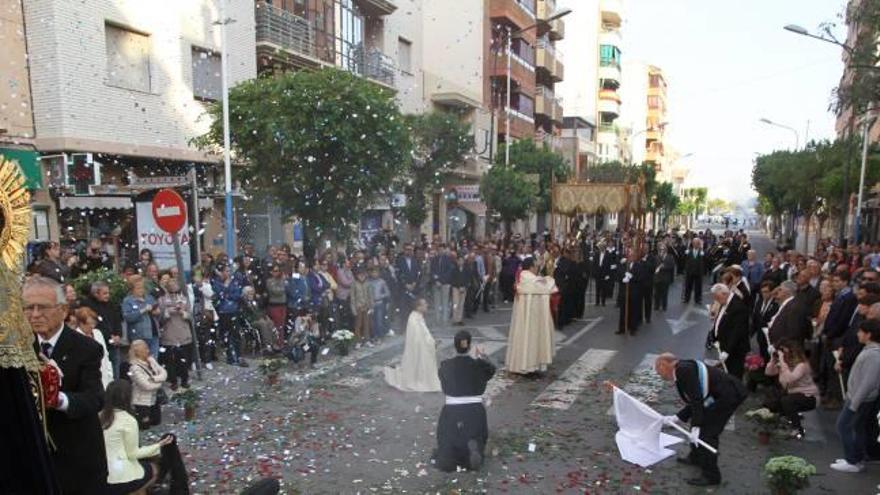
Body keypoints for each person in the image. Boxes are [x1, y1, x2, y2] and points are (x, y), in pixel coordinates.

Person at [25, 276, 108, 494]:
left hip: (77, 458)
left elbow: (95, 398)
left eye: (42, 307)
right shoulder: (17, 348)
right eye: (28, 307)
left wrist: (57, 398)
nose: (34, 315)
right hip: (30, 461)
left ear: (63, 310)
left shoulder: (86, 348)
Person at [655, 353, 747, 486]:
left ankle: (711, 476)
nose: (660, 375)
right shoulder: (681, 368)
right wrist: (677, 417)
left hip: (728, 396)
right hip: (716, 394)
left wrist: (697, 426)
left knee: (707, 434)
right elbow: (695, 400)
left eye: (659, 371)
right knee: (698, 423)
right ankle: (696, 457)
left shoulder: (683, 371)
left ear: (664, 365)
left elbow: (697, 398)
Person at [100, 379, 189, 495]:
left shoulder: (100, 416)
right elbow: (133, 453)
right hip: (119, 477)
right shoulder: (127, 420)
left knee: (139, 470)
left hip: (102, 472)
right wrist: (159, 445)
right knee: (153, 470)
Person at [435, 331, 496, 472]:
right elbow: (491, 370)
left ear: (455, 346)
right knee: (476, 434)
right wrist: (482, 356)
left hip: (452, 410)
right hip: (474, 410)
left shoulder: (446, 366)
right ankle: (474, 449)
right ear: (470, 346)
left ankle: (449, 453)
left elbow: (440, 372)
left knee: (447, 436)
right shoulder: (478, 365)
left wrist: (437, 352)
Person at [831, 319, 880, 473]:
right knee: (857, 429)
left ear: (869, 334)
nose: (858, 334)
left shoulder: (873, 355)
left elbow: (868, 382)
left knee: (843, 426)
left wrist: (854, 403)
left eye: (860, 332)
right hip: (858, 397)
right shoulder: (870, 351)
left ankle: (853, 460)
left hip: (860, 400)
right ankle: (854, 458)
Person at [506, 257, 557, 375]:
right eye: (536, 266)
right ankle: (528, 367)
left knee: (528, 340)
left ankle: (527, 365)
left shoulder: (525, 277)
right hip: (531, 316)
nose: (537, 268)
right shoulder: (528, 278)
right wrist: (548, 279)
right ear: (531, 267)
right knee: (530, 340)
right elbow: (547, 285)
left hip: (530, 315)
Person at [384, 298, 442, 392]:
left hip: (422, 348)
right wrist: (432, 343)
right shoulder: (414, 319)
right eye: (424, 304)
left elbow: (424, 334)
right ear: (418, 307)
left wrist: (432, 341)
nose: (427, 305)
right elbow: (418, 337)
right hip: (417, 350)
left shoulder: (418, 317)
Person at [763, 340, 818, 438]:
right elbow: (768, 372)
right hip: (793, 394)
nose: (782, 354)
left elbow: (789, 379)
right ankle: (784, 421)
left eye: (783, 352)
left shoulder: (802, 365)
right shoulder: (784, 364)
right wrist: (773, 360)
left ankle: (798, 429)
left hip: (808, 397)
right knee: (772, 399)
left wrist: (783, 362)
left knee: (787, 401)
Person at [707, 283, 750, 380]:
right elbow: (720, 319)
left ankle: (735, 392)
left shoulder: (738, 307)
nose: (717, 300)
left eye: (717, 297)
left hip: (735, 350)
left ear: (724, 293)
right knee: (727, 374)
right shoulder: (725, 301)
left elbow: (737, 331)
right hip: (724, 345)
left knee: (734, 374)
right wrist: (714, 336)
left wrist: (727, 351)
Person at [82, 281, 124, 379]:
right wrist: (109, 337)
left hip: (114, 345)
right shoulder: (88, 305)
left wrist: (118, 335)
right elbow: (95, 325)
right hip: (99, 345)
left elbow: (117, 320)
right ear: (96, 293)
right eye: (105, 293)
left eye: (108, 293)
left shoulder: (111, 304)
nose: (107, 296)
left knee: (115, 373)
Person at [158, 281, 194, 391]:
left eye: (175, 287)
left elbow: (190, 317)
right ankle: (173, 381)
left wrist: (183, 312)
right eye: (171, 287)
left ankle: (184, 379)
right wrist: (167, 312)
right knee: (170, 361)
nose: (174, 290)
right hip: (169, 333)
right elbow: (159, 320)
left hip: (183, 333)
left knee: (184, 359)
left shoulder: (184, 299)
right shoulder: (162, 300)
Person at [128, 339, 168, 429]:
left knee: (156, 422)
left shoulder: (151, 360)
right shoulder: (134, 368)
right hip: (142, 401)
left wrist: (154, 378)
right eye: (145, 349)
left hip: (153, 399)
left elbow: (164, 373)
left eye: (147, 348)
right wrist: (160, 383)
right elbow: (146, 385)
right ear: (138, 353)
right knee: (144, 426)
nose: (148, 351)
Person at [213, 263, 248, 367]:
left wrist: (228, 293)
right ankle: (230, 357)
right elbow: (220, 295)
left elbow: (237, 294)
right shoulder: (217, 282)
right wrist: (226, 288)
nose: (228, 273)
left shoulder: (234, 282)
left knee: (236, 335)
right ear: (222, 272)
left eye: (229, 271)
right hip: (223, 312)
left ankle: (238, 356)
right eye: (226, 271)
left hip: (234, 311)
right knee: (226, 335)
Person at [74, 307, 114, 389]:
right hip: (87, 382)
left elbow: (106, 355)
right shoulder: (75, 336)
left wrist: (110, 375)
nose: (92, 326)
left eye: (94, 323)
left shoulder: (98, 333)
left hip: (105, 378)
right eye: (89, 324)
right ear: (81, 323)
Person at [122, 275, 161, 357]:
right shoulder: (128, 301)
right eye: (138, 288)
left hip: (153, 333)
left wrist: (157, 312)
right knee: (141, 360)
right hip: (139, 336)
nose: (141, 290)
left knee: (154, 360)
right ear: (132, 289)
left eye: (142, 288)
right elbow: (128, 317)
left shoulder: (149, 298)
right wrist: (142, 310)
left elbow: (157, 311)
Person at [368, 266, 391, 339]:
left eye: (376, 272)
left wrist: (380, 296)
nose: (375, 274)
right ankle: (374, 335)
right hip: (371, 303)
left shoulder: (382, 281)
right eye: (373, 272)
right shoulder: (368, 282)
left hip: (379, 303)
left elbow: (388, 293)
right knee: (372, 322)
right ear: (371, 273)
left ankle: (380, 336)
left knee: (379, 321)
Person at [349, 268, 373, 341]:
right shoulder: (354, 284)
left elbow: (370, 296)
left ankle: (367, 339)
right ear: (357, 276)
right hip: (358, 307)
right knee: (358, 325)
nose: (362, 277)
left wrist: (371, 306)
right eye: (360, 275)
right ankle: (358, 341)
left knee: (367, 324)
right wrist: (353, 309)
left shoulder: (368, 284)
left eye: (363, 275)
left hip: (366, 306)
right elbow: (352, 298)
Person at [683, 238, 706, 305]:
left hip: (698, 272)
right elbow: (684, 260)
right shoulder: (688, 251)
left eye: (697, 243)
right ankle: (686, 298)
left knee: (698, 287)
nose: (696, 244)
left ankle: (698, 299)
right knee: (688, 286)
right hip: (690, 272)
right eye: (694, 243)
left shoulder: (701, 252)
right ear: (692, 244)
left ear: (699, 244)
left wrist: (702, 251)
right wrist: (685, 254)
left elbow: (705, 261)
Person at [653, 245, 676, 311]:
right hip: (657, 278)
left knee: (664, 293)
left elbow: (672, 266)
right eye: (660, 249)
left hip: (665, 278)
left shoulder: (670, 257)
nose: (662, 250)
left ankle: (664, 306)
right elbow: (654, 265)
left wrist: (663, 267)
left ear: (666, 250)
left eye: (663, 249)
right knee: (656, 293)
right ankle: (656, 306)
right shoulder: (656, 257)